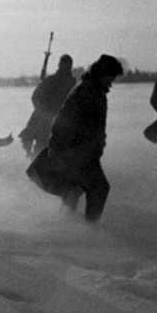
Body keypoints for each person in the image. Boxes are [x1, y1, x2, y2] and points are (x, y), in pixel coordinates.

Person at [26, 54, 123, 223]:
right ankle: (89, 227)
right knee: (97, 188)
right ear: (102, 73)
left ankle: (69, 223)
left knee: (75, 188)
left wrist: (98, 144)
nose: (111, 82)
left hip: (85, 150)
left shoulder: (96, 90)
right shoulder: (85, 91)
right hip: (75, 150)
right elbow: (63, 119)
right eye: (110, 77)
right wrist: (57, 148)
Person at [19, 54, 77, 160]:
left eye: (67, 64)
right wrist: (43, 111)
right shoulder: (51, 81)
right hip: (48, 122)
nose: (65, 67)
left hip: (63, 122)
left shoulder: (71, 84)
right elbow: (36, 98)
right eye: (64, 64)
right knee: (42, 149)